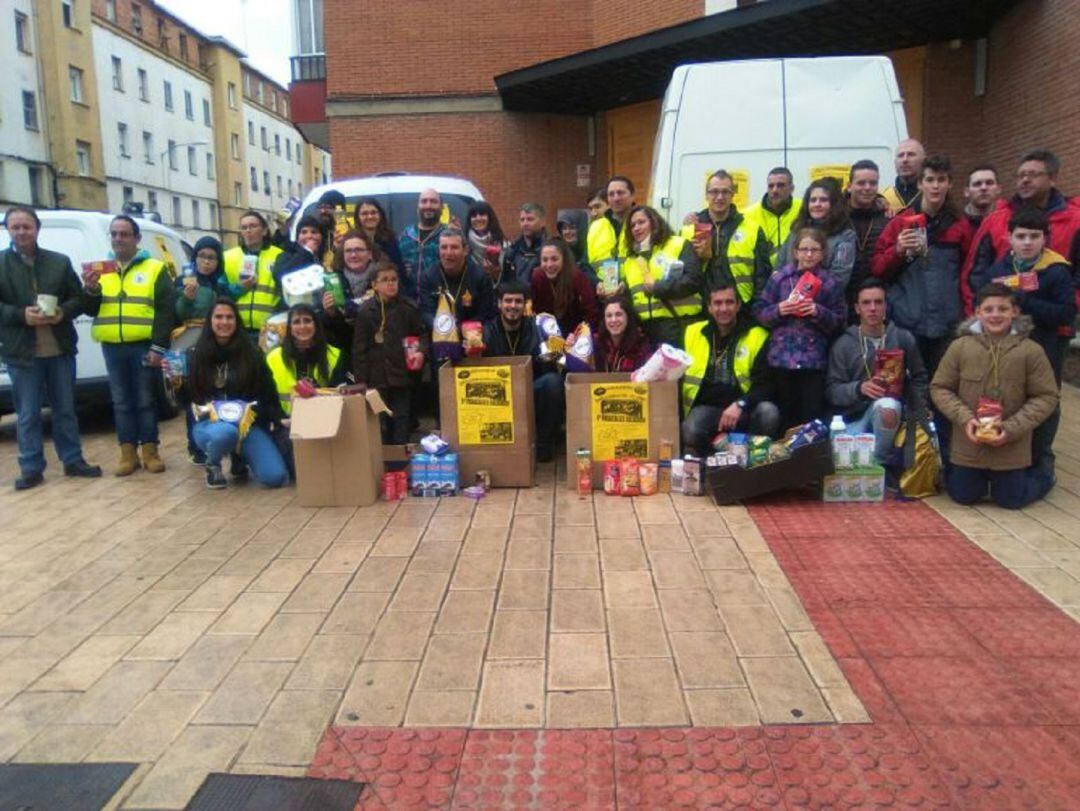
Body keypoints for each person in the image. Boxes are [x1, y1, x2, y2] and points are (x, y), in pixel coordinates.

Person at [968, 207, 1076, 479]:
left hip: (1045, 344)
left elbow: (1065, 313)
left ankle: (1041, 460)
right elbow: (983, 298)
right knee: (1012, 399)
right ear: (1009, 237)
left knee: (1044, 401)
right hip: (1006, 347)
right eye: (1021, 236)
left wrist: (1023, 300)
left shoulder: (1056, 269)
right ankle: (1010, 454)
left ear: (1045, 239)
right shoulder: (1001, 266)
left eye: (1034, 236)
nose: (1027, 242)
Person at [931, 282, 1058, 509]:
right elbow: (940, 388)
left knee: (1011, 501)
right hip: (969, 444)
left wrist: (1011, 428)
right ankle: (974, 478)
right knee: (962, 496)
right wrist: (965, 418)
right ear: (977, 312)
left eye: (1003, 309)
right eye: (988, 310)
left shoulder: (1031, 350)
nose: (995, 315)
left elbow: (1047, 396)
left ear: (1015, 312)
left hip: (1011, 445)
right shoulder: (960, 347)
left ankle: (1045, 476)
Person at [0, 206, 100, 489]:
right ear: (8, 230)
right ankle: (31, 467)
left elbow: (78, 299)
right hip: (22, 352)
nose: (21, 232)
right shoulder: (0, 264)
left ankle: (73, 459)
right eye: (15, 227)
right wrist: (21, 315)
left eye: (26, 226)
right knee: (28, 413)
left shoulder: (59, 262)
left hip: (59, 349)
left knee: (65, 408)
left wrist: (62, 313)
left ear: (37, 229)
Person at [81, 215, 174, 475]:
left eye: (124, 234)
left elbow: (166, 311)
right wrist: (90, 290)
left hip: (142, 345)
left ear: (137, 238)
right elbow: (89, 309)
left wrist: (158, 347)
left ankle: (150, 451)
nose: (118, 238)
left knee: (145, 401)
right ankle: (127, 453)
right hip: (112, 346)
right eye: (114, 234)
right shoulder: (101, 270)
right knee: (121, 402)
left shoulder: (154, 269)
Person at [871, 155, 973, 377]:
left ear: (950, 183)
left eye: (941, 179)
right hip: (907, 322)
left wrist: (968, 314)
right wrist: (897, 251)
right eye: (929, 180)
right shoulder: (900, 222)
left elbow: (968, 274)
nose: (935, 186)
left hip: (947, 324)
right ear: (920, 183)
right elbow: (878, 268)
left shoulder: (960, 226)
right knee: (903, 384)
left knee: (943, 386)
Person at [178, 298, 289, 490]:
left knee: (275, 477)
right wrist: (175, 381)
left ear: (236, 321)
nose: (224, 322)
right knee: (226, 432)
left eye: (229, 317)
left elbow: (267, 390)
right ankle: (213, 465)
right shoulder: (194, 355)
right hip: (209, 426)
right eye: (218, 317)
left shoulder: (252, 354)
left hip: (247, 426)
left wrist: (278, 417)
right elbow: (185, 400)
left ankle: (240, 457)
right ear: (210, 321)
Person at [961, 149, 1080, 315]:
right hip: (1002, 323)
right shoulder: (995, 220)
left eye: (1033, 174)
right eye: (1021, 175)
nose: (1025, 180)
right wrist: (978, 315)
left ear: (1052, 178)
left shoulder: (1075, 220)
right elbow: (974, 276)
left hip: (1057, 326)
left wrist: (1063, 304)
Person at [826, 279, 929, 462]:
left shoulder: (903, 338)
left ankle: (879, 465)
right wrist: (859, 388)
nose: (872, 308)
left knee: (887, 406)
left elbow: (919, 378)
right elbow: (832, 391)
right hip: (853, 420)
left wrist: (919, 407)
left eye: (878, 302)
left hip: (893, 416)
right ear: (857, 308)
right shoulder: (844, 344)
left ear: (886, 306)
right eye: (866, 303)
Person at [752, 228, 846, 428]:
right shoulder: (779, 278)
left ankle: (809, 458)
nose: (809, 254)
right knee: (785, 416)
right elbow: (760, 312)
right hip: (781, 360)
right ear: (795, 252)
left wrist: (817, 311)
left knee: (811, 418)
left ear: (823, 253)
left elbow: (839, 320)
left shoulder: (830, 282)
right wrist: (779, 309)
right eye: (804, 249)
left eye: (814, 249)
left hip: (813, 361)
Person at [681, 284, 779, 457]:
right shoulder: (692, 333)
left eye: (729, 302)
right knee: (690, 429)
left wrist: (740, 404)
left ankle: (750, 459)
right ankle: (721, 455)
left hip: (745, 407)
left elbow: (767, 385)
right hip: (708, 407)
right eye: (717, 303)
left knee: (769, 413)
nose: (724, 308)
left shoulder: (757, 335)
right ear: (709, 307)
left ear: (738, 305)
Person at [482, 280, 563, 463]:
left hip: (528, 390)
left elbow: (550, 367)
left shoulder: (537, 329)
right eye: (508, 301)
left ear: (525, 304)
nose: (513, 306)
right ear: (499, 304)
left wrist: (557, 353)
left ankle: (542, 443)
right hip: (497, 395)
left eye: (518, 301)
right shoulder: (486, 332)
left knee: (553, 382)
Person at [353, 265, 428, 446]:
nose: (390, 284)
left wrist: (421, 352)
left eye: (394, 279)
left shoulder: (408, 308)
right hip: (375, 380)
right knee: (378, 424)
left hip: (401, 378)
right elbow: (359, 350)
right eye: (385, 280)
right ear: (374, 285)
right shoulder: (365, 312)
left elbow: (422, 335)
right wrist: (362, 382)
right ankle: (381, 464)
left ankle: (399, 465)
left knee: (401, 421)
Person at [175, 235, 230, 464]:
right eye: (202, 256)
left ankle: (216, 443)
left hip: (216, 344)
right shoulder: (184, 281)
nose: (206, 262)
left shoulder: (221, 284)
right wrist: (187, 299)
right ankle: (195, 446)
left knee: (216, 394)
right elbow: (176, 313)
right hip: (189, 343)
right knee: (193, 396)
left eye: (212, 257)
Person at [680, 170, 770, 305]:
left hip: (741, 308)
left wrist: (757, 307)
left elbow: (762, 275)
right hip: (701, 307)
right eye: (714, 192)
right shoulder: (689, 229)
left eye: (725, 192)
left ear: (733, 194)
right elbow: (680, 274)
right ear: (706, 195)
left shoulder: (752, 229)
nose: (720, 197)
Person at [623, 205, 703, 347]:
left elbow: (694, 280)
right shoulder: (630, 261)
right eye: (632, 225)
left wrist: (658, 287)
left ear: (654, 223)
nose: (636, 228)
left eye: (641, 222)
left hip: (680, 326)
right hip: (647, 332)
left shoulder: (678, 244)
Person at [266, 303, 347, 416]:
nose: (302, 326)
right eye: (296, 322)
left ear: (316, 325)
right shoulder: (273, 357)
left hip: (326, 418)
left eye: (307, 321)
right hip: (285, 422)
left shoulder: (334, 355)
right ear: (289, 328)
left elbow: (341, 395)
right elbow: (266, 398)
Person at [777, 178, 857, 293]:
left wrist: (802, 297)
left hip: (824, 304)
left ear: (834, 204)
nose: (817, 204)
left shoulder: (845, 236)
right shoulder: (795, 231)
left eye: (823, 200)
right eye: (813, 200)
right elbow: (779, 267)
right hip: (786, 299)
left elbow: (839, 279)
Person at [417, 229, 496, 330]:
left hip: (472, 336)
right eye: (444, 247)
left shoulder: (481, 277)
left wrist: (460, 329)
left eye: (454, 247)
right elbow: (427, 313)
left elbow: (485, 315)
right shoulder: (428, 277)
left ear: (465, 250)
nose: (448, 253)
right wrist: (445, 329)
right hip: (438, 335)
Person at [222, 211, 284, 335]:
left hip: (270, 328)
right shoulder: (228, 257)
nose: (248, 230)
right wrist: (239, 287)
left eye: (253, 226)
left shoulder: (279, 255)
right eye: (244, 227)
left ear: (265, 231)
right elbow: (220, 291)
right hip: (236, 329)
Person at [324, 229, 380, 362]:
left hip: (377, 351)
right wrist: (331, 314)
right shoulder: (333, 280)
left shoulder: (382, 277)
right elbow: (330, 329)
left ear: (370, 254)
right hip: (345, 351)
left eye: (359, 250)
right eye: (348, 251)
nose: (353, 255)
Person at [846, 160, 891, 315]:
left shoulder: (886, 219)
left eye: (872, 183)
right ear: (849, 185)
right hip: (843, 299)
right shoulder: (837, 218)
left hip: (875, 302)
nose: (867, 188)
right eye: (861, 183)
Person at [529, 238, 598, 336]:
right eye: (545, 260)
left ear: (564, 259)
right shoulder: (537, 277)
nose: (549, 265)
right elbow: (537, 313)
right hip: (548, 336)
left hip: (577, 336)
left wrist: (578, 337)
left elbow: (591, 314)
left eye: (554, 259)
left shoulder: (577, 278)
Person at [744, 167, 802, 269]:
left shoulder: (802, 209)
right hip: (763, 277)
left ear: (792, 188)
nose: (774, 190)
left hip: (796, 276)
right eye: (771, 186)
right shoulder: (749, 214)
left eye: (780, 185)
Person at [398, 187, 446, 302]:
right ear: (417, 207)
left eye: (433, 201)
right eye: (424, 201)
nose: (428, 205)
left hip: (440, 304)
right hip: (408, 305)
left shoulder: (449, 236)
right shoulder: (405, 236)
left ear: (441, 207)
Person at [592, 296, 653, 373]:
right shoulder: (596, 341)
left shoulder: (641, 345)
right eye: (609, 316)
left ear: (628, 317)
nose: (613, 320)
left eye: (618, 314)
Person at [587, 175, 634, 268]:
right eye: (611, 194)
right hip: (605, 281)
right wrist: (596, 282)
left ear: (632, 195)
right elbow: (587, 264)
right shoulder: (596, 226)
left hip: (637, 281)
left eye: (620, 193)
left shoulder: (642, 223)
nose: (616, 198)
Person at [272, 215, 326, 292]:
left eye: (314, 232)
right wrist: (307, 252)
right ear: (297, 238)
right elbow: (280, 276)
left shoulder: (327, 256)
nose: (309, 236)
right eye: (304, 232)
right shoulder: (286, 255)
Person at [354, 197, 404, 273]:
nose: (370, 216)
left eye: (373, 212)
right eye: (364, 213)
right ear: (358, 217)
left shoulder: (390, 240)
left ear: (380, 215)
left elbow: (399, 270)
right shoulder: (352, 241)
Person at [502, 202, 548, 285]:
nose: (525, 224)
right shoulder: (511, 251)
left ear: (542, 222)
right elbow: (505, 283)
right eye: (522, 220)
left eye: (530, 219)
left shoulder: (552, 250)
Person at [465, 201, 507, 284]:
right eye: (474, 216)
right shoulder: (464, 243)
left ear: (489, 217)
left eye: (482, 214)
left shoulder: (502, 243)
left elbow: (507, 276)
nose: (478, 218)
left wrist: (494, 271)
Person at [882, 138, 926, 212]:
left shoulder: (931, 195)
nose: (905, 159)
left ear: (924, 161)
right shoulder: (883, 197)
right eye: (900, 155)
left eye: (911, 154)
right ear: (895, 162)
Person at [963, 165, 1001, 230]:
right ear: (966, 192)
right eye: (977, 184)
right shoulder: (956, 226)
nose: (984, 188)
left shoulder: (1009, 220)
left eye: (989, 183)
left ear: (998, 189)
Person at [316, 189, 347, 267]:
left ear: (340, 210)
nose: (323, 211)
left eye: (328, 207)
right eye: (320, 207)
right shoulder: (315, 233)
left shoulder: (348, 234)